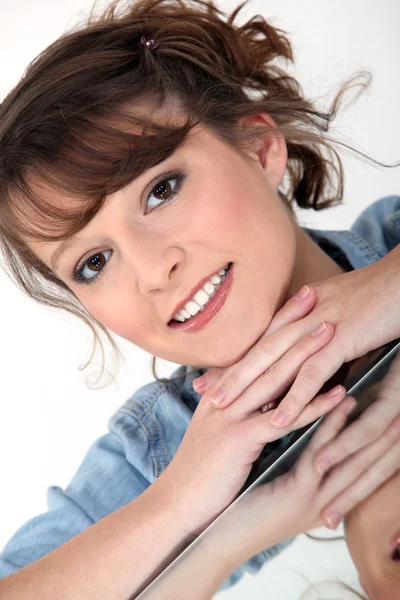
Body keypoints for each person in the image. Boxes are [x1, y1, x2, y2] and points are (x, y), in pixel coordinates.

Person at [0, 0, 399, 597]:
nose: (153, 272)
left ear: (260, 150)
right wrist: (204, 518)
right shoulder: (162, 447)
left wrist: (386, 290)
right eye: (94, 263)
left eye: (161, 190)